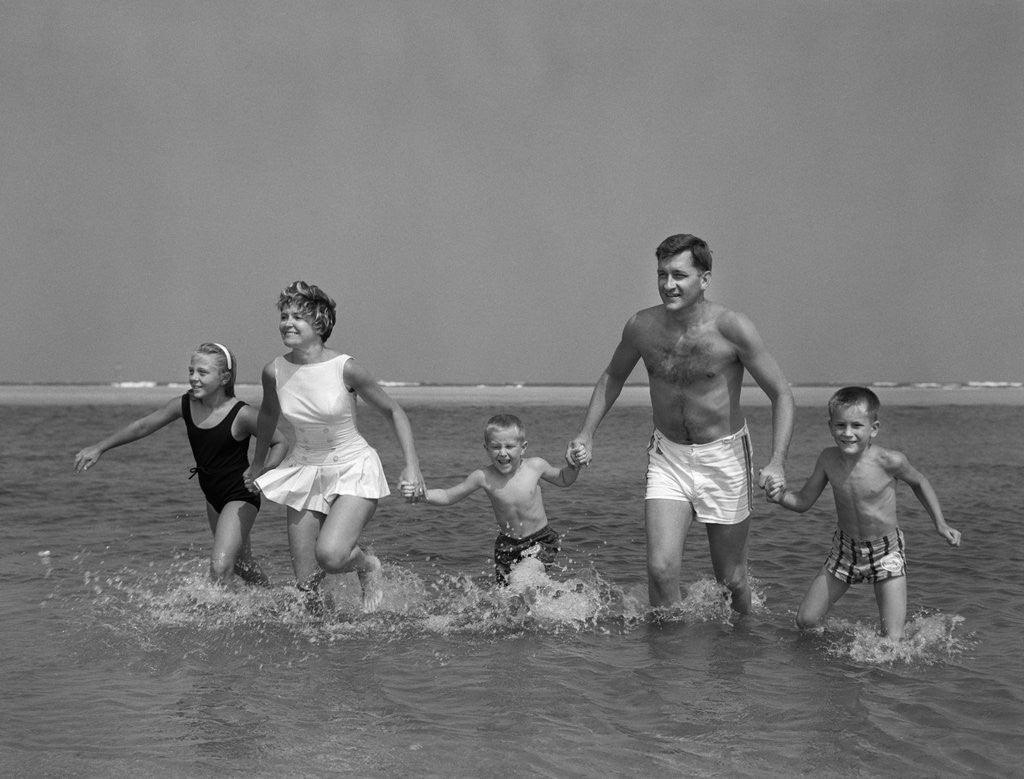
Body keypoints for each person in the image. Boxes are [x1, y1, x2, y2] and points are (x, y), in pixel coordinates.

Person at [566, 233, 794, 613]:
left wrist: (777, 461)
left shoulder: (732, 327)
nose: (668, 285)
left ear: (703, 279)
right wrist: (586, 432)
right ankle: (667, 663)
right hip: (668, 455)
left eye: (679, 275)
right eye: (661, 275)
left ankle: (741, 647)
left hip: (724, 457)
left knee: (732, 579)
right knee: (660, 569)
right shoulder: (642, 327)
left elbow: (781, 394)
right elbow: (613, 377)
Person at [245, 281, 425, 614]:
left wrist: (411, 465)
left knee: (330, 556)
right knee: (307, 588)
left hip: (353, 466)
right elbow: (268, 416)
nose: (287, 323)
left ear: (320, 323)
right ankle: (325, 653)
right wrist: (259, 465)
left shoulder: (346, 367)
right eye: (284, 316)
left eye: (297, 316)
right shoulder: (274, 371)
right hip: (304, 469)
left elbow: (393, 411)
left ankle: (367, 565)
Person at [73, 343, 287, 585]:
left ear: (224, 377)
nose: (194, 378)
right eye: (191, 371)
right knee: (241, 566)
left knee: (220, 567)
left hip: (240, 497)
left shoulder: (242, 414)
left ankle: (227, 620)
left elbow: (280, 442)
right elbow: (143, 426)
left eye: (202, 373)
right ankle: (273, 599)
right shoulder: (185, 404)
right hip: (213, 498)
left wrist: (263, 471)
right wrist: (101, 447)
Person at [765, 386, 960, 639]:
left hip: (885, 551)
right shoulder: (827, 460)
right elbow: (803, 501)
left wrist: (940, 524)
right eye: (840, 425)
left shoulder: (890, 461)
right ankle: (830, 662)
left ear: (874, 429)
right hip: (845, 551)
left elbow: (919, 482)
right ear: (830, 426)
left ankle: (917, 636)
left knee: (892, 640)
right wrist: (779, 496)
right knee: (806, 621)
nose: (848, 433)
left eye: (857, 425)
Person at [408, 414, 579, 584]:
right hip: (506, 546)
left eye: (509, 446)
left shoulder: (535, 466)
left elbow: (564, 479)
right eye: (496, 447)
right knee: (509, 600)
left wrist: (573, 465)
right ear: (486, 448)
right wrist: (422, 495)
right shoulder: (483, 476)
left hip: (540, 540)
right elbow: (448, 496)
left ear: (523, 447)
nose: (503, 453)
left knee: (520, 579)